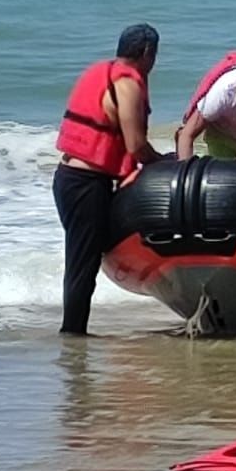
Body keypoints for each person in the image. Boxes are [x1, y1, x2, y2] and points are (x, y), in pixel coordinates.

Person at [52, 24, 164, 335]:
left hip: (69, 178)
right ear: (147, 54)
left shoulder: (100, 71)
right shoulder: (127, 86)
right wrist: (165, 162)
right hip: (86, 185)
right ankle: (72, 335)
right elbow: (136, 147)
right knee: (82, 265)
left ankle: (75, 330)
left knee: (84, 258)